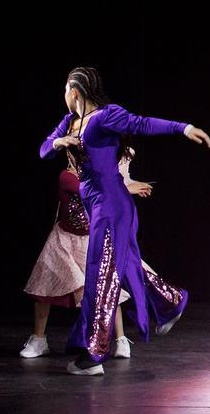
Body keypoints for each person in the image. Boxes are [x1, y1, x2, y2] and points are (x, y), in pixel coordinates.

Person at [39, 67, 209, 375]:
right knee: (126, 266)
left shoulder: (105, 117)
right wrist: (58, 143)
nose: (63, 95)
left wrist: (182, 128)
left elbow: (141, 123)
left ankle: (95, 355)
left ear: (74, 92)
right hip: (98, 207)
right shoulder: (70, 122)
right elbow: (43, 151)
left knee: (101, 277)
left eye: (65, 89)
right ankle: (171, 302)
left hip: (113, 206)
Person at [21, 145, 153, 360]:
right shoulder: (67, 177)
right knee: (45, 289)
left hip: (91, 241)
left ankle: (120, 339)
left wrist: (127, 179)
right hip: (64, 242)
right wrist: (126, 188)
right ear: (70, 156)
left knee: (108, 289)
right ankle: (39, 339)